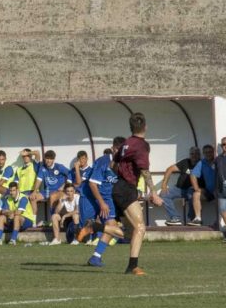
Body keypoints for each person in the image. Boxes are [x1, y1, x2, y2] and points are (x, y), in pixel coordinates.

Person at [88, 112, 164, 275]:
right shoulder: (142, 145)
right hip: (126, 189)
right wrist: (154, 192)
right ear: (145, 127)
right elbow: (144, 170)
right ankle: (132, 266)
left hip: (119, 187)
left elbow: (114, 164)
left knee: (131, 233)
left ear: (131, 127)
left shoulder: (125, 144)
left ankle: (96, 226)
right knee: (140, 227)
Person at [78, 140, 123, 247]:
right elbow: (92, 184)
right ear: (113, 149)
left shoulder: (124, 162)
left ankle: (96, 254)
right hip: (100, 197)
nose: (120, 152)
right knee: (115, 230)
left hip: (108, 197)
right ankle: (95, 232)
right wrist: (102, 203)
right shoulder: (103, 161)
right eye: (117, 149)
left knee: (112, 229)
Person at [160, 146, 200, 226]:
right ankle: (175, 218)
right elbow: (170, 169)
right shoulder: (185, 162)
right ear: (189, 155)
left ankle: (193, 219)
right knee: (164, 194)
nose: (194, 156)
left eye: (196, 154)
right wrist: (164, 184)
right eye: (192, 154)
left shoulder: (201, 163)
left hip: (192, 190)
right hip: (179, 189)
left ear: (199, 155)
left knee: (192, 194)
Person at [31, 150, 72, 227]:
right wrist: (34, 191)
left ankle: (53, 221)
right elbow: (39, 179)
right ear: (44, 159)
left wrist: (64, 186)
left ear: (53, 159)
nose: (48, 160)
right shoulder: (43, 167)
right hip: (47, 191)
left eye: (50, 159)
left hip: (58, 191)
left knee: (52, 197)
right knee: (33, 197)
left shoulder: (59, 167)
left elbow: (70, 174)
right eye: (47, 158)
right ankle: (33, 222)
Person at [0, 181, 35, 245]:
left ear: (17, 190)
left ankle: (13, 240)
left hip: (27, 221)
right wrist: (10, 213)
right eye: (10, 191)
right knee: (1, 217)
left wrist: (10, 213)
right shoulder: (8, 198)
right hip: (14, 219)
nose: (11, 192)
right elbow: (3, 211)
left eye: (13, 190)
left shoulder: (23, 198)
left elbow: (19, 212)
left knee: (17, 216)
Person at [189, 144, 217, 225]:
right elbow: (193, 175)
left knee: (218, 196)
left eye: (210, 152)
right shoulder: (202, 162)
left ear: (213, 152)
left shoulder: (218, 160)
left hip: (219, 190)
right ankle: (198, 218)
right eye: (206, 152)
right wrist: (196, 188)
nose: (208, 154)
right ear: (203, 153)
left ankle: (218, 221)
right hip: (208, 191)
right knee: (196, 194)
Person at [15, 149, 40, 215]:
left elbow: (37, 153)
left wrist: (27, 152)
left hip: (32, 191)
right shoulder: (19, 169)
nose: (25, 157)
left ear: (31, 156)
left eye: (27, 155)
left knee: (32, 198)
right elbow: (16, 183)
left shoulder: (34, 165)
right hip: (21, 192)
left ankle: (34, 222)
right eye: (24, 156)